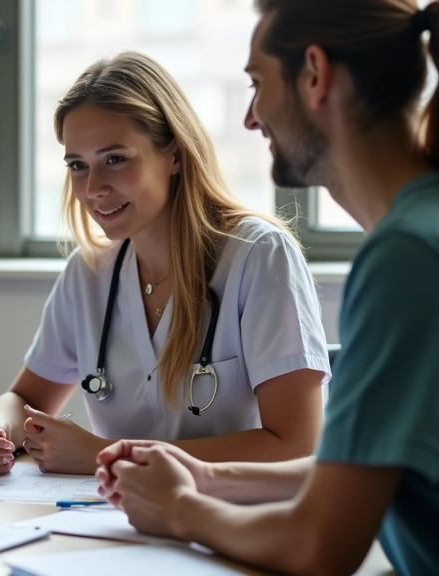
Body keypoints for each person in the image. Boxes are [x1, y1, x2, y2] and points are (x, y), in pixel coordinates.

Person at [97, 2, 439, 574]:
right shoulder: (419, 234)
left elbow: (319, 546)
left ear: (314, 74)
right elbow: (360, 466)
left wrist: (181, 510)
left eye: (258, 84)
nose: (252, 118)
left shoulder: (407, 260)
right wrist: (206, 477)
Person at [0, 51, 331, 476]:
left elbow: (296, 444)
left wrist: (109, 454)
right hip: (122, 521)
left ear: (174, 154)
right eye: (77, 165)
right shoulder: (88, 274)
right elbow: (23, 399)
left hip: (239, 519)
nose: (94, 188)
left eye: (115, 159)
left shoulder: (259, 256)